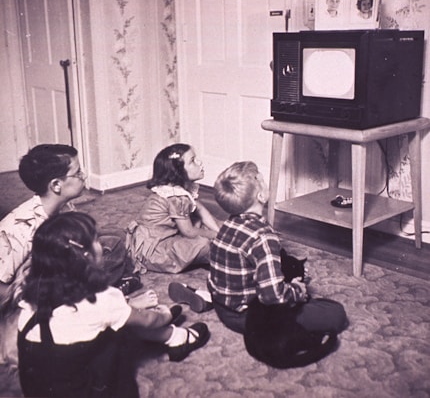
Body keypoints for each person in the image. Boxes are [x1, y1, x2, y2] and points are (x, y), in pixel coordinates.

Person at [17, 212, 210, 397]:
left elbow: (83, 316)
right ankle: (179, 337)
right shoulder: (102, 297)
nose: (102, 245)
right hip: (91, 391)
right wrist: (165, 314)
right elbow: (148, 320)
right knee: (123, 325)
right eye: (96, 240)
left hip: (38, 390)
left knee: (109, 321)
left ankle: (158, 329)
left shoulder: (29, 297)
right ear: (86, 255)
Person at [0, 144, 140, 367]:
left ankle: (100, 293)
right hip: (39, 295)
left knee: (113, 240)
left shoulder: (65, 207)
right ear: (56, 185)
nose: (83, 176)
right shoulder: (19, 229)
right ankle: (106, 300)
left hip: (60, 279)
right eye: (77, 173)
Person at [207, 161, 348, 336]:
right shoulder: (263, 236)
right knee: (335, 313)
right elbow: (272, 297)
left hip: (223, 307)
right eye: (263, 181)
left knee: (284, 263)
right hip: (249, 316)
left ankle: (203, 298)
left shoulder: (228, 224)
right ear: (261, 196)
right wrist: (297, 291)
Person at [126, 143, 220, 275]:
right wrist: (217, 236)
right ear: (179, 172)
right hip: (154, 249)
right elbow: (188, 231)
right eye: (193, 161)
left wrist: (219, 231)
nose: (199, 163)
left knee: (206, 223)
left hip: (165, 236)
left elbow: (200, 210)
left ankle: (223, 244)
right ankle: (225, 257)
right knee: (204, 244)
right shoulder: (176, 197)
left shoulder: (178, 190)